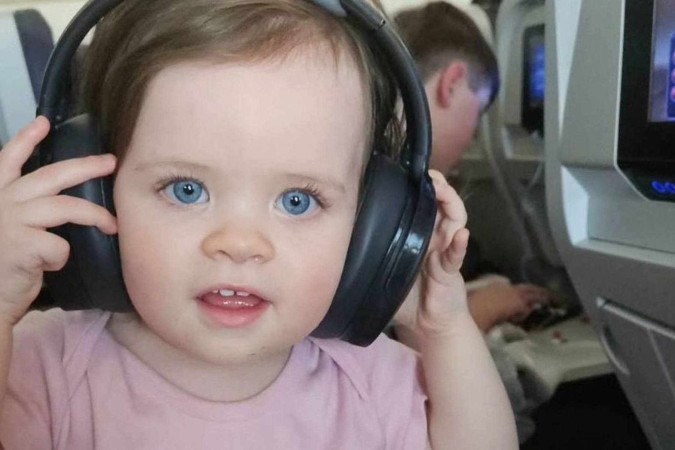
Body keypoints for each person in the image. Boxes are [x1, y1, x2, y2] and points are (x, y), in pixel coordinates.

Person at [0, 1, 517, 448]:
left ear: (370, 229)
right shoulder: (41, 368)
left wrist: (442, 328)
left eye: (297, 201)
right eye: (186, 189)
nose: (240, 244)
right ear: (94, 190)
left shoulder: (371, 383)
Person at [392, 1, 551, 342]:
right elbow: (413, 346)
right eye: (476, 113)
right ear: (452, 82)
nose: (472, 137)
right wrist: (483, 309)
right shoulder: (393, 189)